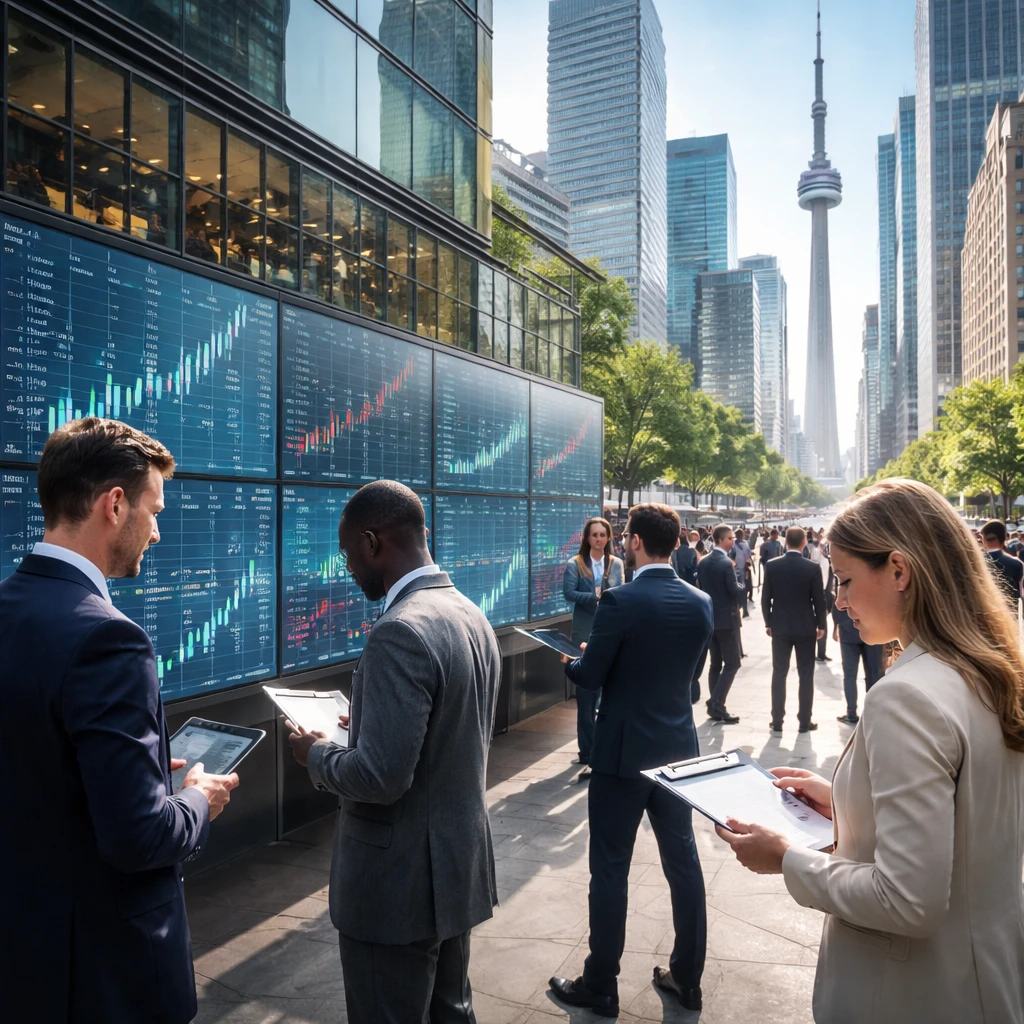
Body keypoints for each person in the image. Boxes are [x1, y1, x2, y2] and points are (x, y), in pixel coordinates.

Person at [716, 478, 1024, 1024]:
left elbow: (907, 899)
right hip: (988, 979)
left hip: (909, 994)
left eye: (846, 579)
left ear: (900, 571)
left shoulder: (907, 696)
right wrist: (847, 802)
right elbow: (970, 823)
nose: (838, 599)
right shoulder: (990, 670)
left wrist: (786, 858)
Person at [0, 418, 239, 1024]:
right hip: (102, 979)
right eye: (153, 510)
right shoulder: (108, 639)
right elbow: (140, 839)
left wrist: (143, 773)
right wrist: (196, 800)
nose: (157, 531)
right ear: (114, 504)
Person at [286, 481, 501, 1024]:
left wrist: (314, 755)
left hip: (396, 887)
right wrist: (371, 723)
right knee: (452, 1013)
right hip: (454, 870)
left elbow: (381, 778)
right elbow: (448, 729)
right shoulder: (469, 613)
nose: (348, 567)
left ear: (371, 541)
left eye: (347, 553)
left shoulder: (399, 631)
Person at [548, 504, 713, 1017]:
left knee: (611, 870)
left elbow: (592, 676)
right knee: (683, 864)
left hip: (622, 756)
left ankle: (601, 985)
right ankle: (686, 978)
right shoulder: (701, 601)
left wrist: (572, 661)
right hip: (677, 752)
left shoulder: (619, 600)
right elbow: (689, 681)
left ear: (635, 541)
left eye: (623, 538)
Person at [563, 517, 625, 779]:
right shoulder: (575, 564)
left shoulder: (616, 563)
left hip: (608, 633)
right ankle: (586, 752)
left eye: (603, 535)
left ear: (608, 538)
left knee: (607, 695)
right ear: (586, 538)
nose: (599, 539)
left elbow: (621, 591)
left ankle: (603, 750)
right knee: (586, 696)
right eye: (594, 535)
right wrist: (593, 597)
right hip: (583, 633)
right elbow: (568, 592)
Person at [761, 526, 827, 733]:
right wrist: (821, 625)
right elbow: (819, 600)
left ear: (785, 541)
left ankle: (777, 720)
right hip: (806, 626)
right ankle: (804, 721)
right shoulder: (812, 567)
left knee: (779, 673)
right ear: (804, 542)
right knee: (806, 675)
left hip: (780, 626)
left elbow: (765, 598)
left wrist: (768, 622)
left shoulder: (772, 566)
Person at [696, 524, 746, 724]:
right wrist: (742, 583)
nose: (732, 542)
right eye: (730, 539)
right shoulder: (726, 563)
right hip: (726, 619)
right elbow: (734, 589)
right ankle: (716, 702)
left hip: (710, 618)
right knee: (733, 663)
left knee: (715, 663)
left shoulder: (703, 562)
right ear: (720, 540)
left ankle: (716, 705)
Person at [831, 577, 884, 725]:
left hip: (848, 631)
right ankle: (873, 712)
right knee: (874, 673)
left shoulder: (845, 575)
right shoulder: (874, 577)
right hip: (872, 629)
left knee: (850, 675)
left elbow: (836, 604)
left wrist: (836, 626)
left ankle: (851, 713)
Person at [981, 519, 1022, 615]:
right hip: (1010, 617)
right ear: (1005, 538)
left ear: (983, 539)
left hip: (984, 616)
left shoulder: (974, 562)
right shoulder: (1016, 563)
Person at [731, 527, 753, 617]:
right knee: (742, 590)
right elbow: (748, 558)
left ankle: (739, 609)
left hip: (733, 570)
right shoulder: (745, 545)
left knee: (735, 590)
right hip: (742, 570)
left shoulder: (732, 544)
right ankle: (744, 610)